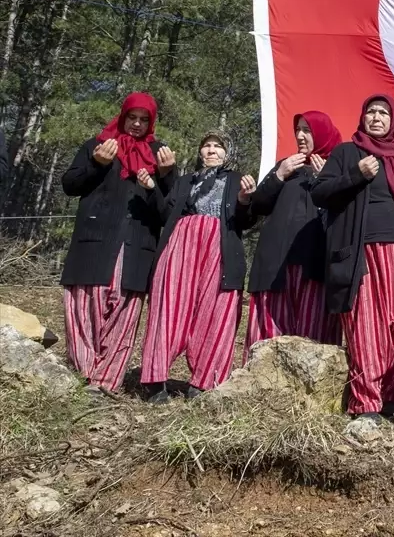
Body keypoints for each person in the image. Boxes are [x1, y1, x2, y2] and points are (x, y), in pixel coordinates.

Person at [309, 95, 394, 425]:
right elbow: (320, 193)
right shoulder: (347, 153)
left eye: (383, 113)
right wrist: (355, 174)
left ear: (393, 120)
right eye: (370, 111)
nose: (376, 117)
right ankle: (366, 403)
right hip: (363, 251)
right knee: (366, 326)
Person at [59, 93, 177, 393]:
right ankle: (85, 373)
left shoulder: (159, 153)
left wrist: (166, 175)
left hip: (136, 243)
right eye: (131, 118)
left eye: (143, 120)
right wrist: (97, 164)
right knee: (85, 303)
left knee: (124, 310)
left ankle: (106, 381)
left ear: (151, 123)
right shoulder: (98, 145)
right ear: (122, 116)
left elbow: (172, 208)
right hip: (95, 241)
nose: (136, 124)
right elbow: (70, 185)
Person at [140, 131, 257, 402]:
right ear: (200, 152)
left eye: (218, 147)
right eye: (207, 146)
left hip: (220, 248)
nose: (212, 151)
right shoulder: (185, 181)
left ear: (228, 153)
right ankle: (156, 381)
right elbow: (166, 213)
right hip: (182, 244)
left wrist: (244, 200)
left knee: (216, 309)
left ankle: (205, 382)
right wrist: (151, 190)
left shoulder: (238, 180)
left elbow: (247, 221)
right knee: (170, 307)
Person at [244, 110, 344, 360]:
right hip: (277, 263)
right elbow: (258, 206)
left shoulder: (338, 167)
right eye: (298, 129)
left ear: (321, 133)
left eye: (307, 130)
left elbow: (342, 211)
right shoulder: (287, 166)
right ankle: (261, 387)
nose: (300, 135)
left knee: (312, 333)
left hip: (315, 263)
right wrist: (279, 175)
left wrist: (325, 180)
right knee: (270, 330)